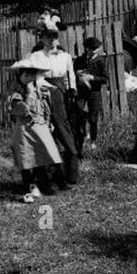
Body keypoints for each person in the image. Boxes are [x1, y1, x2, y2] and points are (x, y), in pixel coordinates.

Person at [7, 57, 62, 202]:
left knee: (42, 156)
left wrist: (48, 122)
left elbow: (46, 108)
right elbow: (20, 110)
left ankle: (41, 184)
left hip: (40, 128)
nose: (30, 79)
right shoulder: (16, 93)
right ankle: (28, 189)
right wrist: (30, 95)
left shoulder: (40, 90)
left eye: (33, 75)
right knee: (26, 159)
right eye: (27, 75)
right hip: (25, 129)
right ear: (21, 76)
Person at [37, 31, 79, 186]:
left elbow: (70, 74)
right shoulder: (38, 56)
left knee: (63, 127)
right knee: (45, 128)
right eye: (48, 37)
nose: (52, 40)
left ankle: (71, 174)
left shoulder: (65, 56)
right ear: (42, 39)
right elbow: (38, 77)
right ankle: (48, 176)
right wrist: (48, 89)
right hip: (45, 91)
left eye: (54, 37)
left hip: (61, 92)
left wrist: (72, 88)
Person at [73, 36, 110, 148]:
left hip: (94, 92)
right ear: (87, 49)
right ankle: (83, 136)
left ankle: (93, 140)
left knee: (93, 118)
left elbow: (105, 79)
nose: (94, 51)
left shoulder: (100, 61)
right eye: (92, 49)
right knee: (77, 113)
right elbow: (74, 74)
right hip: (81, 92)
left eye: (96, 49)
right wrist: (78, 74)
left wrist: (91, 77)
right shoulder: (79, 60)